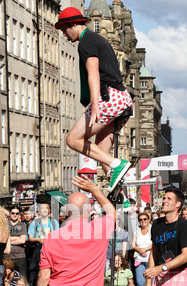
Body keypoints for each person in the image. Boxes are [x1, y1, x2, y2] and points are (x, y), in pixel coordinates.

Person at [55, 7, 133, 194]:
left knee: (72, 139)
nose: (64, 35)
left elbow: (93, 72)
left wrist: (96, 104)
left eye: (65, 30)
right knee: (100, 152)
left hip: (108, 97)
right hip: (122, 98)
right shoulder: (97, 39)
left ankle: (117, 164)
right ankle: (122, 196)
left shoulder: (86, 41)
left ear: (73, 24)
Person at [28, 202, 59, 286]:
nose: (44, 210)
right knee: (38, 274)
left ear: (49, 210)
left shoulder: (54, 222)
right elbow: (30, 238)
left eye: (46, 208)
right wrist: (38, 239)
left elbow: (57, 236)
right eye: (42, 208)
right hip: (38, 251)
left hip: (52, 251)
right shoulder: (35, 222)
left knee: (51, 274)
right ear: (39, 210)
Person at [132, 212, 152, 286]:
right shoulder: (137, 230)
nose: (143, 221)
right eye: (140, 219)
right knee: (140, 283)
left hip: (150, 260)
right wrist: (140, 250)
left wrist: (146, 249)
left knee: (150, 283)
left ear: (148, 220)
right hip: (139, 261)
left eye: (145, 219)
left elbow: (155, 243)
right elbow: (133, 245)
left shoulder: (153, 229)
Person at [7, 206, 27, 277]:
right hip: (7, 256)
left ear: (19, 215)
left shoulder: (23, 225)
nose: (15, 215)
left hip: (20, 256)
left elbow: (22, 240)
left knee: (21, 279)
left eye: (17, 213)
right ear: (9, 213)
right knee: (7, 279)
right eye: (13, 213)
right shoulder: (4, 224)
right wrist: (17, 238)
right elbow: (3, 239)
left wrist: (8, 240)